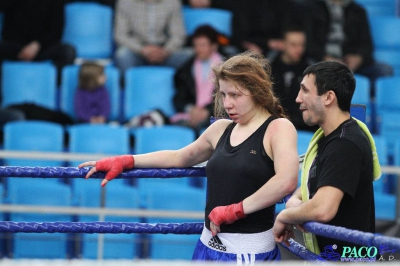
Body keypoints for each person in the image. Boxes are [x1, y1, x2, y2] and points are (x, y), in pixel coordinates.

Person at [78, 51, 299, 263]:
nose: (227, 103)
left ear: (257, 91)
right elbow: (179, 157)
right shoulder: (222, 128)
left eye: (235, 95)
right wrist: (128, 160)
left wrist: (236, 210)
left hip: (248, 251)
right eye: (223, 94)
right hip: (206, 245)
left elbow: (286, 180)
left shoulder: (278, 128)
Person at [273, 61, 380, 258]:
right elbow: (314, 186)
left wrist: (285, 215)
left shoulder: (344, 144)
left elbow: (323, 208)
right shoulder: (331, 138)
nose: (297, 99)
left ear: (329, 97)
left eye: (305, 90)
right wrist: (297, 202)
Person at [304, 0, 392, 97]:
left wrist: (358, 58)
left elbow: (367, 45)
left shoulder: (358, 11)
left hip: (349, 64)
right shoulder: (312, 8)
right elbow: (308, 44)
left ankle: (371, 104)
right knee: (304, 69)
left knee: (384, 70)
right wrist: (326, 59)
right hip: (320, 61)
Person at [182, 0, 307, 58]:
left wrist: (277, 43)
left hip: (275, 48)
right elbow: (238, 35)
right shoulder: (241, 3)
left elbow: (290, 30)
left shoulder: (284, 5)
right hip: (243, 45)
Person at [0, 0, 76, 84]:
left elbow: (56, 31)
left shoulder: (55, 2)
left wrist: (38, 44)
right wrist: (22, 49)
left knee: (67, 52)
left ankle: (51, 89)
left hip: (43, 48)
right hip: (16, 47)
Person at [114, 0, 192, 75]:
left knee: (190, 54)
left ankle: (178, 86)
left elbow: (178, 35)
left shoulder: (172, 2)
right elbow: (120, 35)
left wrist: (165, 51)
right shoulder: (125, 2)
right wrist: (143, 49)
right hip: (137, 52)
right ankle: (130, 86)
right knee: (122, 54)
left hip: (164, 51)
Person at [171, 25, 223, 134]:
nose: (198, 49)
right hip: (192, 114)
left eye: (203, 45)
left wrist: (207, 111)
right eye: (196, 45)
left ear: (214, 46)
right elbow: (179, 98)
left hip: (218, 115)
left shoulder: (227, 69)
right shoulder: (186, 68)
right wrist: (191, 109)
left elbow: (228, 97)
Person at [270, 25, 318, 132]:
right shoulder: (268, 69)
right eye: (293, 45)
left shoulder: (312, 71)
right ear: (282, 44)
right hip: (273, 126)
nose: (299, 49)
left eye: (302, 45)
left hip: (305, 127)